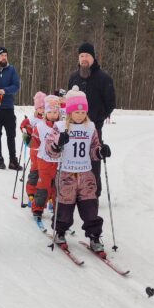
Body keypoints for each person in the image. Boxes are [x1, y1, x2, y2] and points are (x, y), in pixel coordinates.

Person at [48, 86, 109, 253]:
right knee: (65, 207)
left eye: (83, 112)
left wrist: (101, 151)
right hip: (67, 174)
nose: (80, 115)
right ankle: (60, 231)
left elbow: (94, 149)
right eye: (77, 112)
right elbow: (50, 151)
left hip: (86, 175)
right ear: (69, 112)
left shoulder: (90, 127)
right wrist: (57, 143)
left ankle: (94, 236)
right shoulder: (60, 127)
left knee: (90, 207)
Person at [67, 42, 116, 196]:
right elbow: (69, 101)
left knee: (94, 158)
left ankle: (94, 190)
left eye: (87, 55)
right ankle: (75, 188)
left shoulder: (104, 78)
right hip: (74, 127)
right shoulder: (74, 77)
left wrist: (98, 119)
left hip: (94, 127)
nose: (84, 59)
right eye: (81, 56)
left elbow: (111, 103)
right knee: (74, 158)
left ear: (93, 57)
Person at [31, 94, 63, 218]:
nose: (53, 114)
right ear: (45, 113)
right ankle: (38, 208)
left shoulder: (63, 126)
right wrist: (29, 139)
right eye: (50, 112)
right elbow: (35, 143)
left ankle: (58, 210)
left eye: (56, 112)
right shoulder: (40, 126)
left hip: (59, 162)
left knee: (57, 187)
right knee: (43, 185)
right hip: (44, 160)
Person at [19, 91, 46, 207]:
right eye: (40, 107)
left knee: (44, 172)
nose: (43, 110)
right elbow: (23, 125)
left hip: (45, 150)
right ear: (36, 108)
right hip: (35, 150)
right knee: (35, 171)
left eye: (44, 107)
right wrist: (25, 132)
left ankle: (45, 193)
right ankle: (31, 191)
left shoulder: (49, 118)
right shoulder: (32, 119)